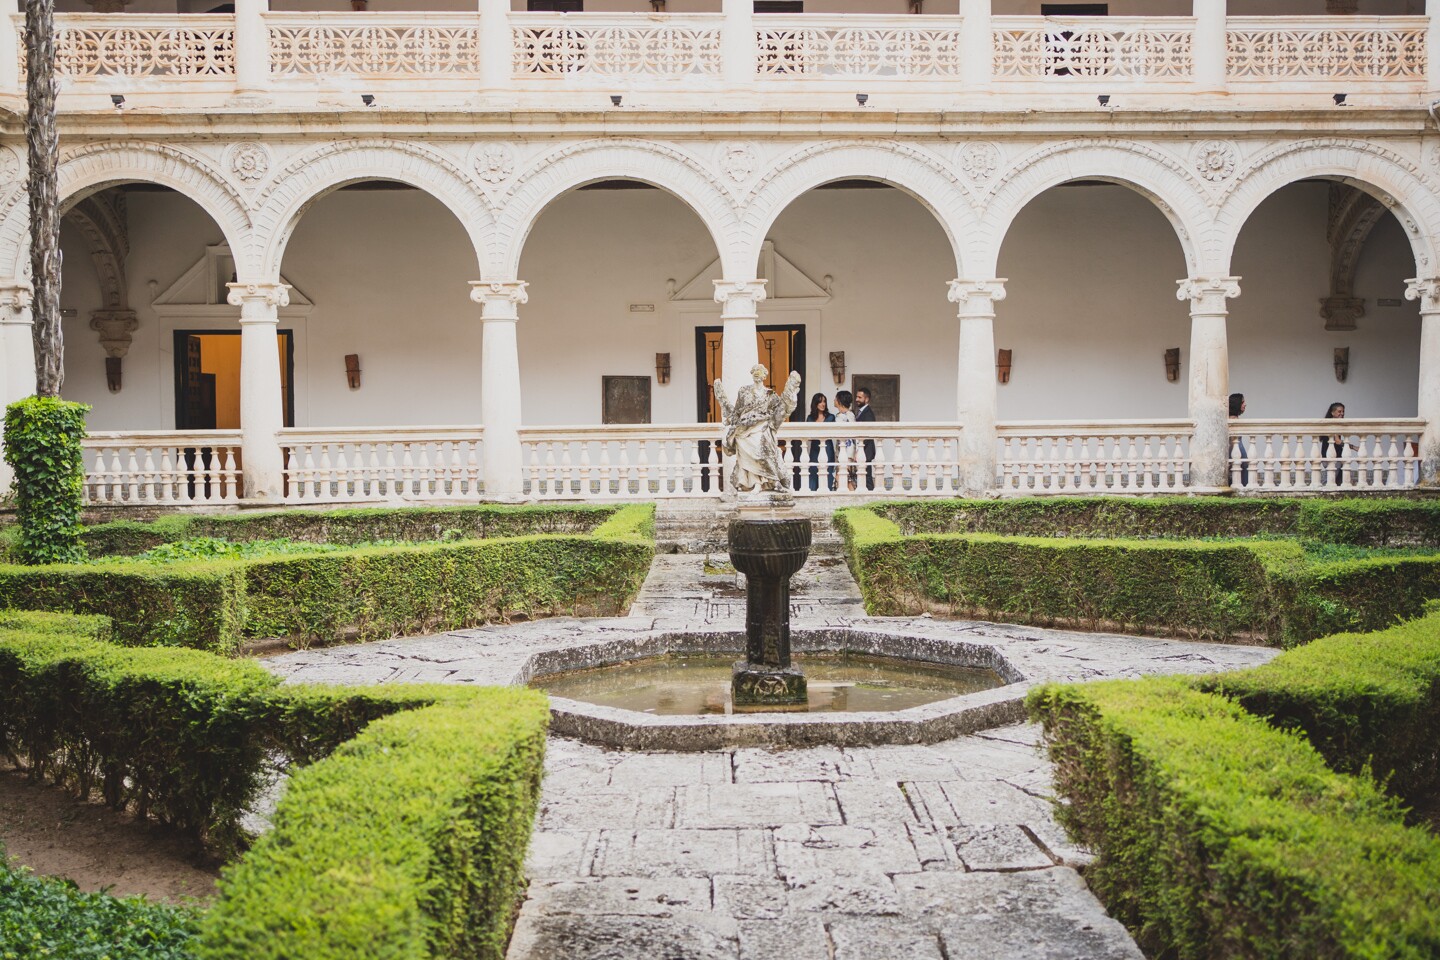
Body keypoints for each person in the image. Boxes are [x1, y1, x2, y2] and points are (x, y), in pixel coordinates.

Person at [805, 392, 835, 492]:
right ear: (815, 404)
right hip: (814, 449)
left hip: (828, 448)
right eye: (820, 402)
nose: (823, 404)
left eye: (824, 402)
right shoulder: (810, 418)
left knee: (827, 472)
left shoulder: (831, 417)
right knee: (813, 472)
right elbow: (809, 435)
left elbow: (827, 432)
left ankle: (827, 493)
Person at [833, 390, 857, 491]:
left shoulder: (848, 416)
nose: (834, 400)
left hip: (847, 451)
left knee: (843, 477)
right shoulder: (843, 415)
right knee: (846, 478)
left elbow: (852, 436)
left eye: (835, 398)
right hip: (843, 451)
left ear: (839, 401)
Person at [854, 386, 877, 491]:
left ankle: (870, 495)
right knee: (863, 475)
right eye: (856, 397)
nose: (856, 399)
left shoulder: (868, 413)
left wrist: (859, 449)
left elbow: (867, 435)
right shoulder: (861, 412)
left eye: (859, 397)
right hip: (863, 449)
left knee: (866, 476)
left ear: (866, 399)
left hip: (866, 449)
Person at [1319, 401, 1346, 487]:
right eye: (1339, 411)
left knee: (1336, 480)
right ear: (1332, 412)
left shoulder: (1334, 424)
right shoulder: (1332, 425)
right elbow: (1338, 441)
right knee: (1329, 481)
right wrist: (1353, 447)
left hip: (1332, 456)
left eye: (1343, 411)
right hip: (1332, 457)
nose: (1341, 414)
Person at [1229, 392, 1248, 488]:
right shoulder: (1232, 420)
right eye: (1242, 402)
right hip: (1236, 453)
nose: (1245, 404)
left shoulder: (1235, 418)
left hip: (1239, 452)